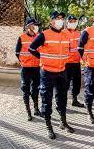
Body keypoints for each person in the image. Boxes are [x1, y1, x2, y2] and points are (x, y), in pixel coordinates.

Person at [29, 11, 74, 139]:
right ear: (51, 21)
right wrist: (42, 58)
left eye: (61, 18)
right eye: (57, 18)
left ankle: (63, 122)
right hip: (47, 72)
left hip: (62, 71)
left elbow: (69, 50)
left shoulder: (65, 36)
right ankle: (49, 126)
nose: (60, 20)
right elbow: (31, 48)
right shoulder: (44, 35)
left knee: (62, 98)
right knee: (47, 99)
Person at [15, 18, 41, 121]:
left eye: (36, 24)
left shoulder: (39, 36)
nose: (35, 26)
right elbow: (17, 52)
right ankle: (28, 112)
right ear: (28, 26)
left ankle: (36, 109)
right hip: (26, 68)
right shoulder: (21, 37)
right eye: (33, 24)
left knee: (36, 89)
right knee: (25, 90)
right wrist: (23, 62)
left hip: (36, 68)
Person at [63, 15, 83, 107]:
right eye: (71, 21)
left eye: (74, 21)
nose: (73, 23)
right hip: (66, 63)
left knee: (76, 82)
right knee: (65, 84)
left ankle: (74, 99)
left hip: (76, 62)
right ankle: (62, 102)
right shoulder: (63, 33)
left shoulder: (79, 33)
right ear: (67, 23)